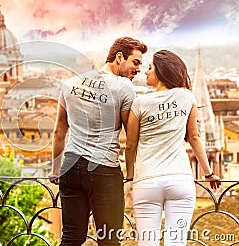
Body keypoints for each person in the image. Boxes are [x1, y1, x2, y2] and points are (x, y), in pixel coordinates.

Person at [49, 36, 148, 245]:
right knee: (109, 240)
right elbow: (131, 137)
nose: (138, 69)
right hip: (103, 170)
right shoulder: (123, 87)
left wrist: (55, 170)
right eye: (136, 62)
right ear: (119, 57)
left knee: (71, 237)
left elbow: (59, 132)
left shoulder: (70, 84)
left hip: (70, 166)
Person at [124, 50, 221, 245]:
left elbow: (131, 145)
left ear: (160, 72)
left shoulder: (140, 102)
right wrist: (209, 173)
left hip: (147, 182)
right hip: (180, 180)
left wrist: (131, 175)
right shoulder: (186, 96)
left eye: (150, 68)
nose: (146, 72)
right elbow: (194, 138)